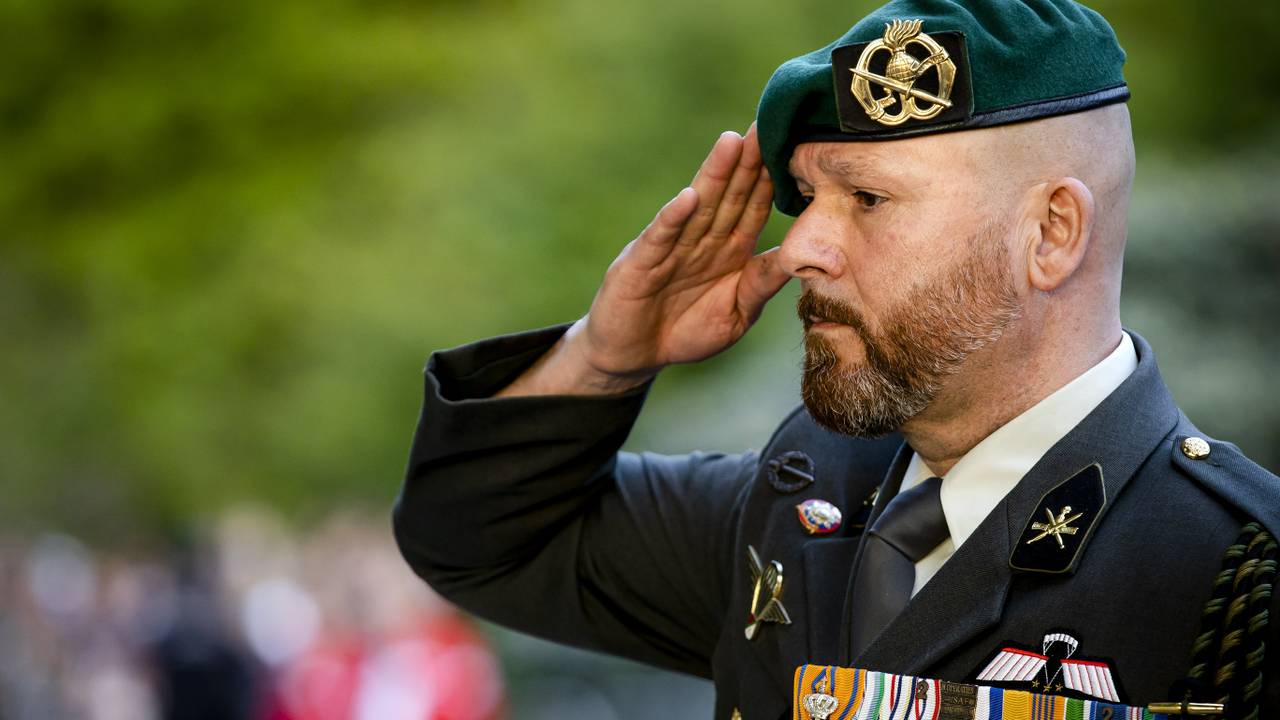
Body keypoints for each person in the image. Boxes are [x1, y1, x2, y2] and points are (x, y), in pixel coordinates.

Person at [393, 1, 1280, 718]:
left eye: (866, 197)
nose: (803, 245)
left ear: (1051, 235)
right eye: (810, 197)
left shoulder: (1239, 573)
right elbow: (478, 541)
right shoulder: (800, 498)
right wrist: (604, 357)